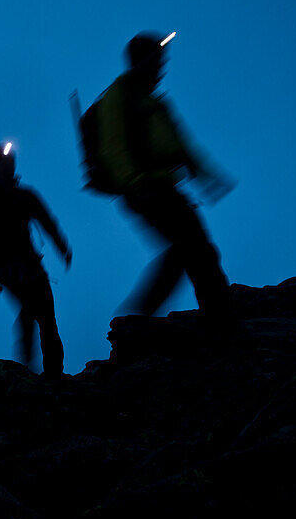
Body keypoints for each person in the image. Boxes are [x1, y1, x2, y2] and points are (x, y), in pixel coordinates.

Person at [96, 32, 235, 324]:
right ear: (142, 60)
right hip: (144, 188)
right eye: (158, 59)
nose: (162, 66)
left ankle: (147, 316)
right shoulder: (120, 96)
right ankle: (218, 318)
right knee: (194, 248)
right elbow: (113, 146)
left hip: (162, 185)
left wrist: (210, 176)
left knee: (188, 250)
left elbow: (183, 147)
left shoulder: (156, 104)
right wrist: (134, 183)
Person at [0, 143, 72, 378]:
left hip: (14, 268)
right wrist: (62, 248)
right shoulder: (0, 196)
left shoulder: (1, 196)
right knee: (41, 315)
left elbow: (47, 222)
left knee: (39, 315)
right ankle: (46, 375)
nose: (10, 164)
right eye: (7, 161)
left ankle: (40, 374)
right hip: (15, 267)